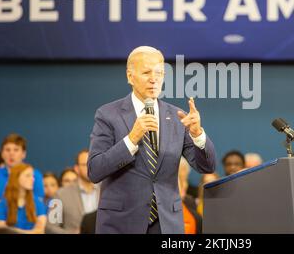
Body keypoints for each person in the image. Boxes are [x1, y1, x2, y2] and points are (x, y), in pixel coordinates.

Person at [87, 46, 216, 234]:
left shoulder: (177, 116)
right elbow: (95, 170)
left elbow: (207, 167)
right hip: (122, 223)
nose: (154, 79)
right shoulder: (108, 115)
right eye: (146, 72)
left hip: (166, 224)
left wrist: (198, 134)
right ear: (130, 77)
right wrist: (131, 139)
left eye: (159, 73)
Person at [0, 134, 44, 229]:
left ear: (23, 154)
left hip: (28, 229)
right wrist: (18, 205)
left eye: (16, 150)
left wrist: (3, 205)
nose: (11, 154)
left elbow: (37, 207)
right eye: (7, 150)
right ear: (2, 154)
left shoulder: (35, 175)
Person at [46, 149, 99, 234]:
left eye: (93, 163)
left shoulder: (107, 191)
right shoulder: (60, 194)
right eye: (85, 164)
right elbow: (50, 227)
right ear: (76, 169)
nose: (90, 168)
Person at [0, 164, 46, 234]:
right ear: (16, 178)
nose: (33, 179)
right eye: (28, 176)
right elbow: (1, 230)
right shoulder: (2, 205)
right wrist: (30, 232)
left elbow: (40, 231)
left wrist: (14, 231)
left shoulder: (38, 203)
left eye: (32, 176)